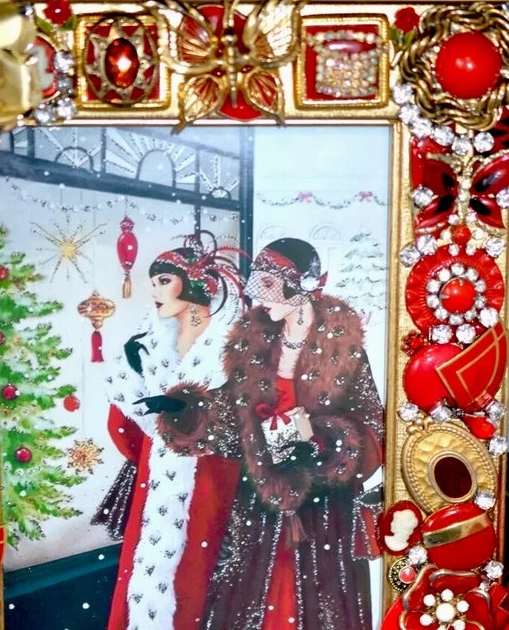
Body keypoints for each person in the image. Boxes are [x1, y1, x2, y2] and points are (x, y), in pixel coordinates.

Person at [147, 238, 384, 630]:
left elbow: (373, 427)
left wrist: (323, 442)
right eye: (255, 283)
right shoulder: (253, 341)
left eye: (268, 284)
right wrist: (187, 411)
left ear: (302, 285)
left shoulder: (343, 347)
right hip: (259, 506)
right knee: (248, 605)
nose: (257, 295)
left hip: (322, 513)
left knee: (317, 607)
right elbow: (233, 418)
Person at [94, 232, 245, 630]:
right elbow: (122, 426)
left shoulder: (233, 349)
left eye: (164, 280)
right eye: (153, 282)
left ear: (193, 285)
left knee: (200, 575)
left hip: (213, 481)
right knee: (150, 576)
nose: (155, 291)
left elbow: (243, 425)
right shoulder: (145, 345)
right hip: (159, 478)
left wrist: (182, 419)